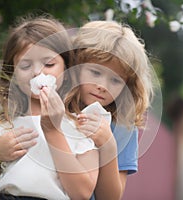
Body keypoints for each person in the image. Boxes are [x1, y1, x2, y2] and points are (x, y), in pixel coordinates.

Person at [0, 16, 101, 200]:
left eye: (49, 64)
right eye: (25, 65)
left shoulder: (81, 126)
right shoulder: (5, 124)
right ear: (12, 73)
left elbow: (82, 194)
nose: (37, 72)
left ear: (66, 68)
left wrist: (53, 131)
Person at [64, 20, 153, 200]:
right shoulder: (52, 107)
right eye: (95, 72)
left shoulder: (122, 128)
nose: (102, 86)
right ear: (75, 65)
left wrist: (108, 145)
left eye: (115, 80)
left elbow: (110, 197)